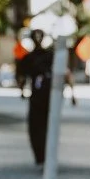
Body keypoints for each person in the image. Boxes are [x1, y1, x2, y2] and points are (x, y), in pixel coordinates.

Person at [24, 29, 55, 167]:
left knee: (42, 127)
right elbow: (22, 76)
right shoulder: (29, 58)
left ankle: (45, 154)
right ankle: (41, 155)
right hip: (38, 97)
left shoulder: (49, 56)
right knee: (37, 127)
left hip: (46, 97)